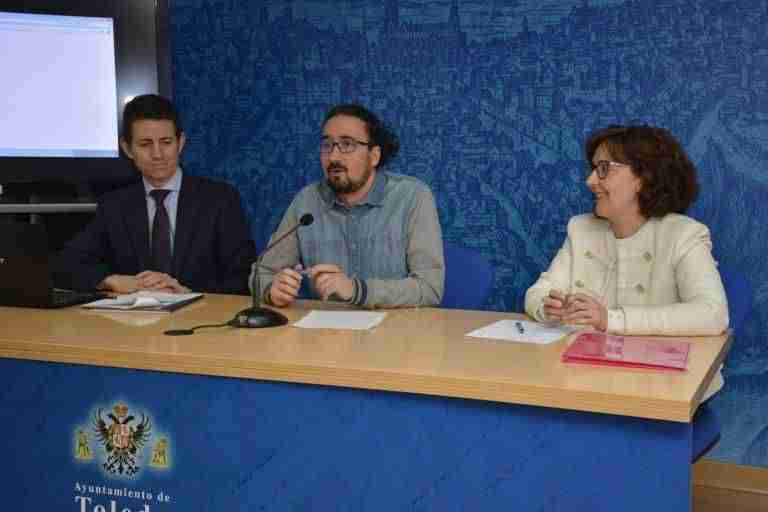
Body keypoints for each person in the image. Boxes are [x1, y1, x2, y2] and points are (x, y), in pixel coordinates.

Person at [524, 124, 729, 398]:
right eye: (593, 168)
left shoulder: (684, 235)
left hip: (667, 389)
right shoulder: (581, 229)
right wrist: (549, 307)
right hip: (586, 380)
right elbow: (537, 293)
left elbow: (713, 314)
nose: (590, 181)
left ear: (643, 177)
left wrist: (610, 319)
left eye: (604, 168)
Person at [55, 94, 256, 295]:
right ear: (127, 148)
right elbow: (66, 264)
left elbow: (244, 277)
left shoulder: (220, 199)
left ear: (180, 143)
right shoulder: (114, 205)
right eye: (145, 144)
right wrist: (111, 281)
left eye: (166, 142)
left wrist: (188, 292)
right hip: (135, 314)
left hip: (201, 312)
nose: (157, 154)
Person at [254, 104, 444, 308]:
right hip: (325, 327)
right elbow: (262, 273)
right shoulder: (306, 202)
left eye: (347, 144)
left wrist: (356, 290)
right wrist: (272, 290)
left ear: (374, 156)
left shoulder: (412, 197)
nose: (333, 157)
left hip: (396, 327)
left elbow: (430, 289)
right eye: (327, 145)